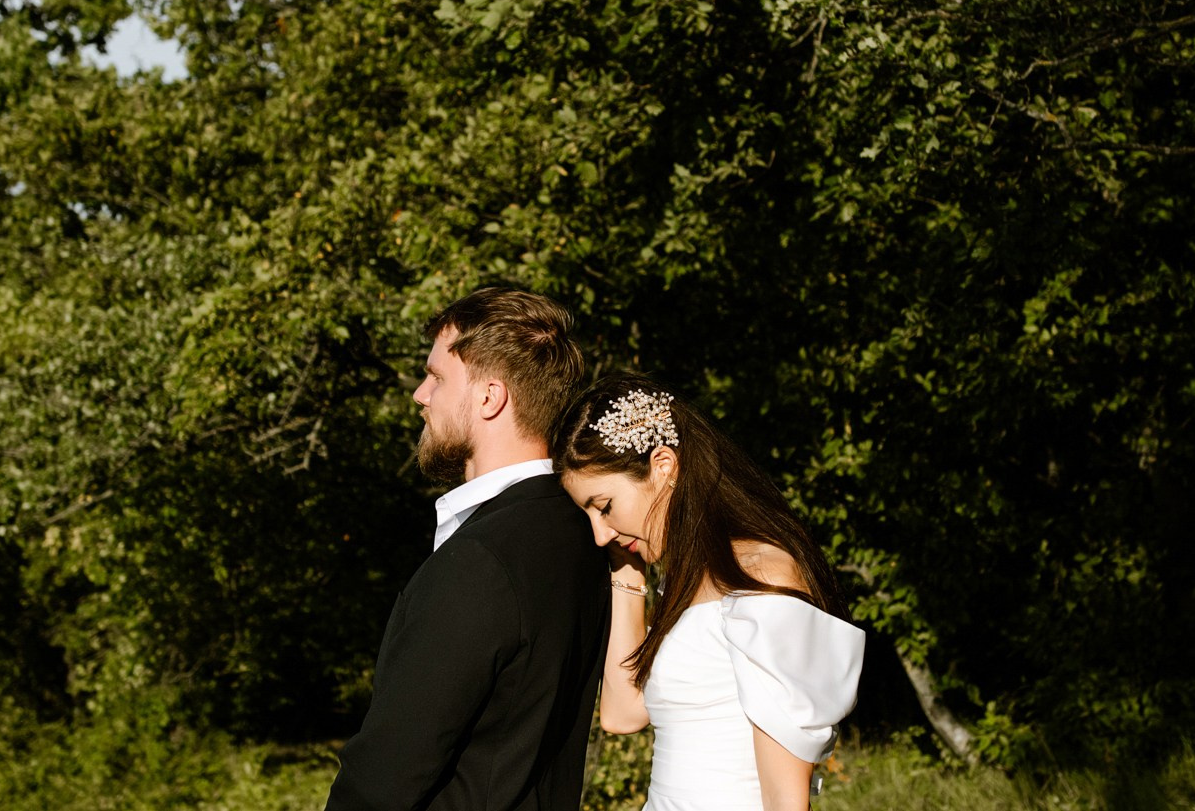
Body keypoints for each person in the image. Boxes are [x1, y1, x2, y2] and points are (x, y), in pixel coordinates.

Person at [325, 287, 609, 811]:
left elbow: (388, 774)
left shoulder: (483, 560)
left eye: (436, 377)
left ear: (489, 397)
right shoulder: (585, 534)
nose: (420, 395)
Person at [553, 375, 865, 811]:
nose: (599, 534)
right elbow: (622, 713)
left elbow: (785, 798)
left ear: (663, 466)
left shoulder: (760, 575)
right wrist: (627, 567)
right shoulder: (682, 582)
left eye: (604, 507)